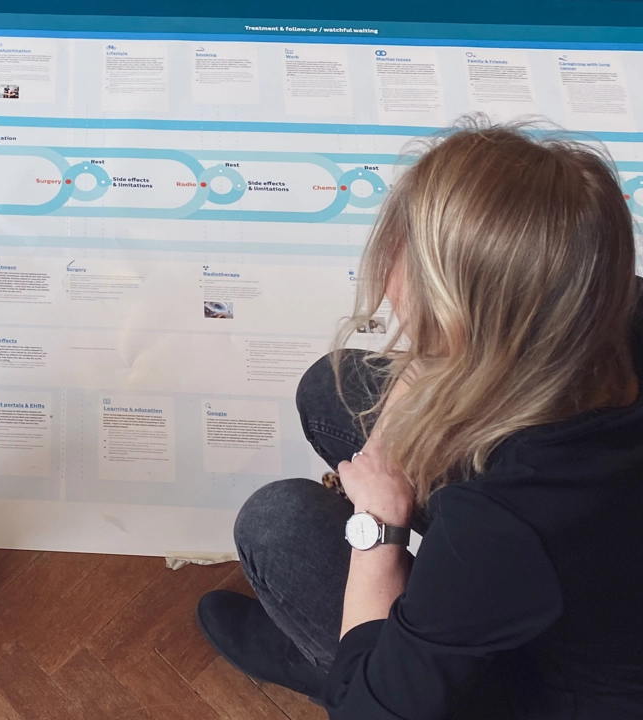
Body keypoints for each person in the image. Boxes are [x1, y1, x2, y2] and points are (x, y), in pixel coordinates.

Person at [196, 120, 643, 718]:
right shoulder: (615, 297)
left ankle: (337, 666)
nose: (387, 272)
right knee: (335, 389)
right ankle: (393, 642)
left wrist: (379, 525)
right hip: (595, 583)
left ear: (461, 316)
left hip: (547, 686)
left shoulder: (505, 527)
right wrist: (434, 374)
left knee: (277, 523)